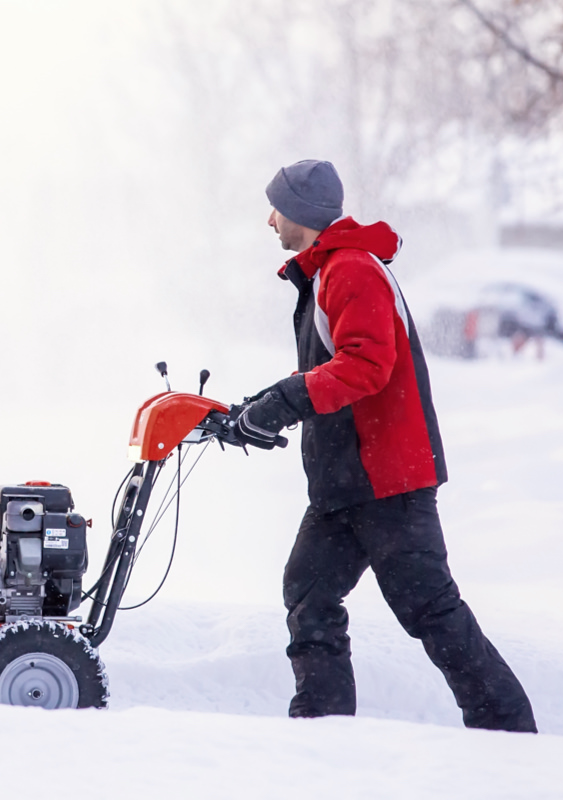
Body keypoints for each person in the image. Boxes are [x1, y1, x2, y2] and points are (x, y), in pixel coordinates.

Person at [229, 159, 537, 732]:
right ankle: (323, 729)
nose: (269, 219)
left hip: (386, 479)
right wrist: (261, 407)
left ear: (303, 212)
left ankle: (507, 730)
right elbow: (331, 368)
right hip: (348, 481)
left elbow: (366, 366)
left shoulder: (350, 270)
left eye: (276, 207)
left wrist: (285, 401)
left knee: (430, 609)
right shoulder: (329, 271)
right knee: (309, 592)